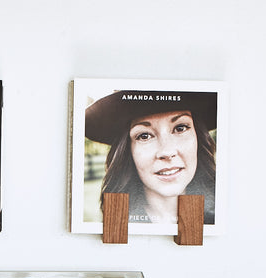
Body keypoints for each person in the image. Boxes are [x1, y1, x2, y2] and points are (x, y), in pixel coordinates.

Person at [85, 90, 217, 225]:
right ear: (127, 151)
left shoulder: (225, 218)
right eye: (144, 136)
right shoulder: (118, 224)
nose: (167, 151)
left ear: (198, 137)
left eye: (180, 128)